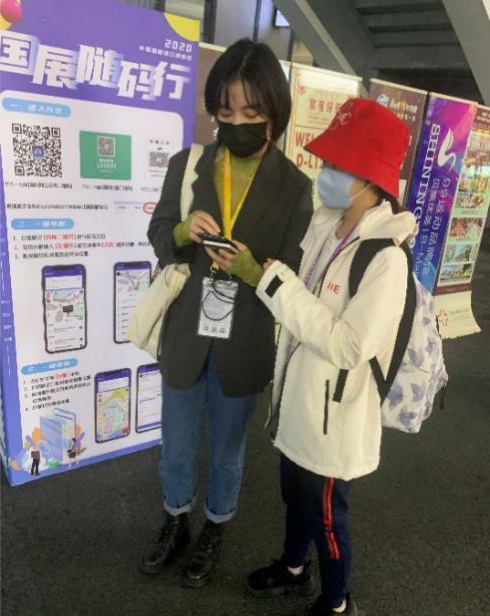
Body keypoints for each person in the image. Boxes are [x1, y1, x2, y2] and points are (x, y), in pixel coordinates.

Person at [142, 38, 313, 587]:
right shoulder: (189, 164)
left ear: (274, 114)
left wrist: (251, 270)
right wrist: (179, 230)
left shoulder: (296, 188)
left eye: (250, 112)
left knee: (227, 453)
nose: (236, 123)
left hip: (244, 337)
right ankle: (175, 518)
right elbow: (157, 234)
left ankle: (216, 525)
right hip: (185, 332)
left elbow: (293, 273)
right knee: (176, 445)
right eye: (225, 110)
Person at [242, 98, 418, 616]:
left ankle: (338, 602)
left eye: (339, 165)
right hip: (298, 399)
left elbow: (349, 345)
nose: (326, 173)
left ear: (369, 176)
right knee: (293, 495)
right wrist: (273, 278)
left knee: (327, 517)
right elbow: (307, 301)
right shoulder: (327, 223)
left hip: (333, 417)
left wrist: (277, 286)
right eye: (327, 162)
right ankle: (294, 569)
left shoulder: (386, 258)